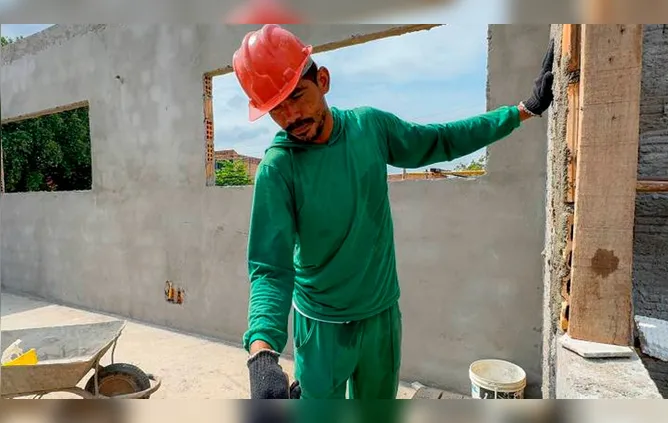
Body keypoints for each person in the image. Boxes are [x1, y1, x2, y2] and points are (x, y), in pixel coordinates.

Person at [233, 24, 554, 400]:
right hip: (320, 328)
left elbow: (441, 139)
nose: (290, 116)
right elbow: (270, 268)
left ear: (322, 80)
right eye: (276, 108)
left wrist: (521, 112)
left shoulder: (369, 128)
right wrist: (262, 353)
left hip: (380, 317)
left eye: (297, 96)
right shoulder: (278, 168)